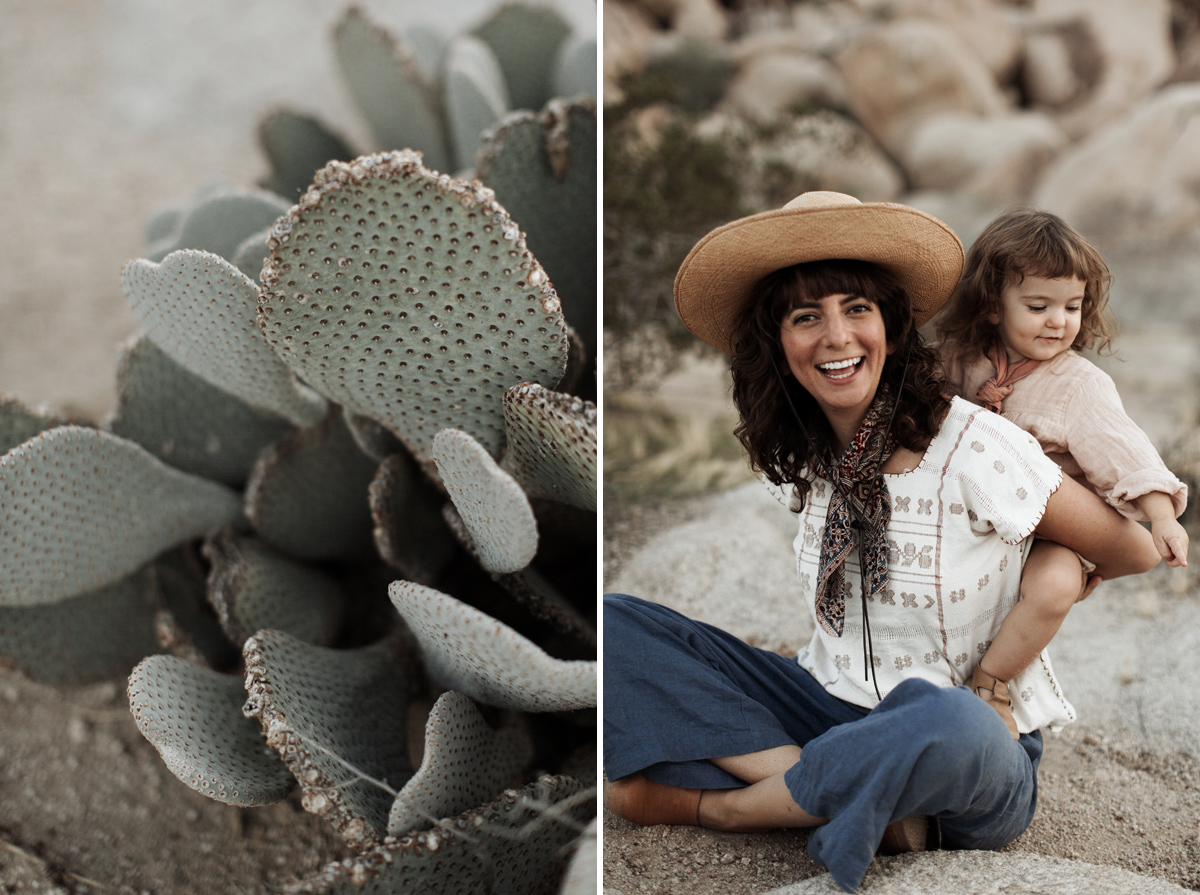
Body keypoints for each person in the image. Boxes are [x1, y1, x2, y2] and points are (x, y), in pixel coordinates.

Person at [603, 191, 1162, 893]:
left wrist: (1057, 569)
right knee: (613, 623)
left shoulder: (975, 443)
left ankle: (736, 807)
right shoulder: (806, 459)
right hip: (824, 704)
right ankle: (850, 784)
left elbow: (1135, 549)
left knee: (945, 716)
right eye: (807, 317)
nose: (836, 336)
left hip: (965, 737)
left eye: (856, 309)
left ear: (892, 329)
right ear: (777, 341)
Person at [935, 208, 1188, 737]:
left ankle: (992, 682)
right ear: (991, 305)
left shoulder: (1079, 384)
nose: (1059, 321)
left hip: (1048, 531)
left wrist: (1161, 518)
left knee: (1055, 587)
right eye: (1038, 305)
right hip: (966, 519)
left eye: (1073, 306)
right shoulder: (957, 360)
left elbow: (1128, 451)